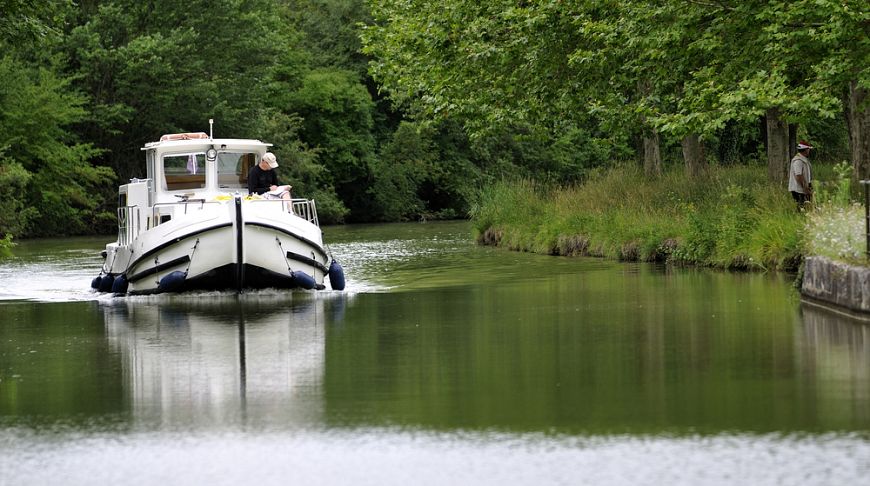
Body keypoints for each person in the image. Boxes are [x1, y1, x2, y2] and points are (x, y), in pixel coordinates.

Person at [788, 140, 813, 209]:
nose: (809, 151)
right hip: (798, 189)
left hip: (803, 188)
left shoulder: (803, 160)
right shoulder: (798, 161)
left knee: (807, 206)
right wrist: (805, 187)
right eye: (808, 149)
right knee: (801, 207)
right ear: (806, 150)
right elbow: (798, 175)